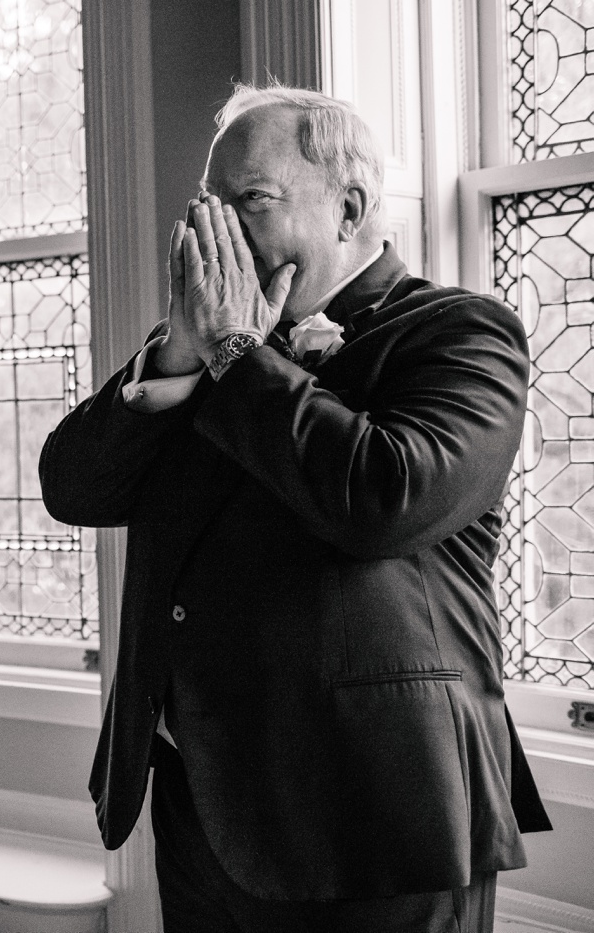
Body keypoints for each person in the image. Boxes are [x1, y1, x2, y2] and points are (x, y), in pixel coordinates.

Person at [40, 84, 552, 932]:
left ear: (348, 207)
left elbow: (384, 499)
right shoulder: (202, 347)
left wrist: (236, 353)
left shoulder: (462, 331)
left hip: (376, 815)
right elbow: (75, 489)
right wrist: (177, 353)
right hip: (199, 804)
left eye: (253, 201)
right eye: (212, 205)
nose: (222, 231)